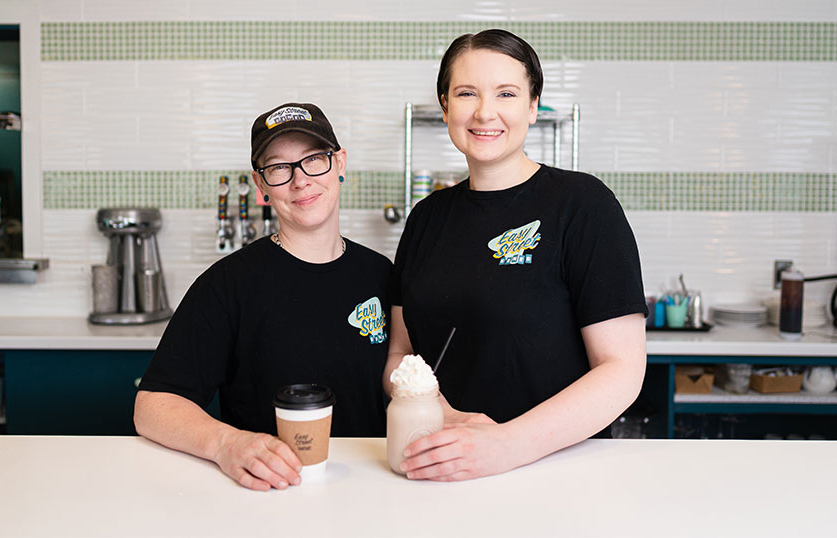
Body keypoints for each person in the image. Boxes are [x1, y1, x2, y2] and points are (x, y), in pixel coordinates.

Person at [383, 29, 647, 482]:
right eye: (467, 93)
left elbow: (622, 370)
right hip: (442, 467)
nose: (485, 112)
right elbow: (402, 356)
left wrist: (507, 445)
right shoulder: (426, 218)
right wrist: (442, 417)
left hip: (557, 471)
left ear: (532, 106)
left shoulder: (583, 205)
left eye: (506, 93)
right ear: (446, 106)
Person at [135, 103, 391, 492]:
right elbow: (152, 406)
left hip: (372, 491)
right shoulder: (227, 285)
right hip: (266, 493)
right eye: (279, 168)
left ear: (339, 164)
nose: (300, 180)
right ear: (261, 185)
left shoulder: (383, 276)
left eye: (314, 160)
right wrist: (227, 443)